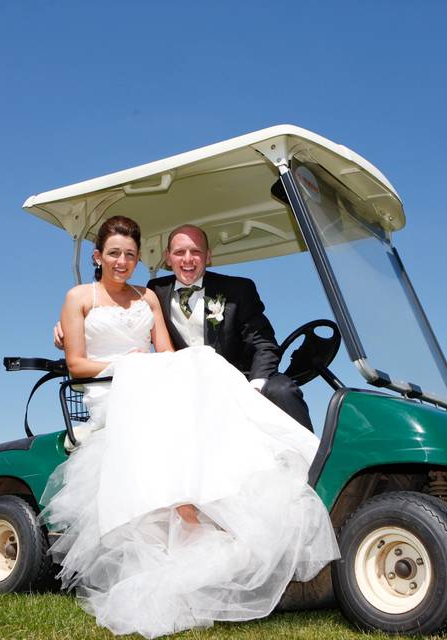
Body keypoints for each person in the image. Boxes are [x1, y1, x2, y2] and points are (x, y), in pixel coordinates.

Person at [43, 215, 339, 639]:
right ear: (99, 257)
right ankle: (190, 518)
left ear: (205, 256)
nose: (123, 261)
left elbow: (171, 356)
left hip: (160, 382)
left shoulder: (149, 297)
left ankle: (271, 482)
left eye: (129, 254)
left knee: (212, 375)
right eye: (115, 254)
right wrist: (111, 355)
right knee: (176, 411)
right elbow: (77, 363)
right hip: (114, 388)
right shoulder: (89, 296)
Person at [56, 224, 314, 431]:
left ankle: (315, 469)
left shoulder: (238, 290)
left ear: (208, 256)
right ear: (168, 258)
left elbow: (263, 343)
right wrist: (66, 329)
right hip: (179, 386)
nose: (188, 260)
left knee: (282, 390)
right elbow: (107, 315)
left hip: (237, 380)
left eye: (196, 252)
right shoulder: (157, 291)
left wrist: (256, 386)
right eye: (179, 252)